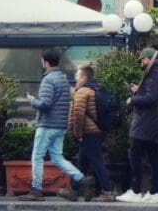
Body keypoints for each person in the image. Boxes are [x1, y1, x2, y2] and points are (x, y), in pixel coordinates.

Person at [19, 49, 92, 202]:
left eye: (42, 61)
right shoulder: (63, 79)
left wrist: (32, 100)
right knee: (57, 157)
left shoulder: (48, 79)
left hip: (47, 125)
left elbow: (45, 104)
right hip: (60, 126)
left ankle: (36, 190)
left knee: (37, 156)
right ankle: (81, 178)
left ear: (46, 62)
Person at [116, 47, 158, 204]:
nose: (140, 63)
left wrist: (132, 100)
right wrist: (138, 90)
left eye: (142, 60)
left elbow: (151, 97)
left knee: (134, 155)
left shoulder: (153, 74)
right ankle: (153, 192)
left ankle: (135, 191)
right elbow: (152, 94)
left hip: (144, 123)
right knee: (154, 158)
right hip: (153, 122)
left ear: (148, 59)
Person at [67, 64, 114, 202]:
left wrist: (77, 133)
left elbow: (78, 114)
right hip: (96, 131)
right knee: (82, 161)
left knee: (97, 160)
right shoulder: (95, 89)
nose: (75, 78)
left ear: (83, 77)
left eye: (77, 75)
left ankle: (107, 191)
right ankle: (73, 189)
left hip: (88, 132)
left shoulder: (83, 91)